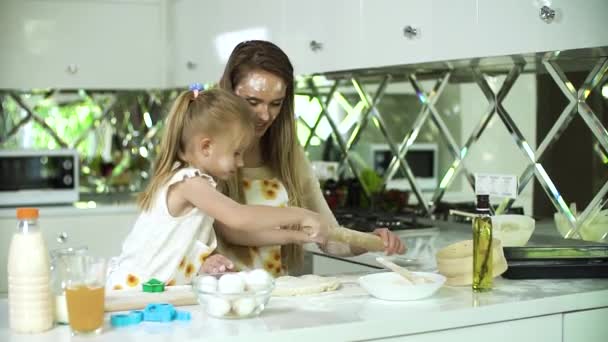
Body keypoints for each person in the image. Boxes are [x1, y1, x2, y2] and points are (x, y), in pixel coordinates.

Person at [106, 87, 331, 290]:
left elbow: (234, 232)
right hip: (131, 293)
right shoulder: (188, 182)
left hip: (151, 294)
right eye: (236, 153)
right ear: (206, 147)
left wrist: (295, 236)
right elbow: (238, 217)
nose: (241, 162)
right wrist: (302, 215)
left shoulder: (196, 182)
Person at [215, 40, 405, 276]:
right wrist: (301, 222)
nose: (265, 115)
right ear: (229, 93)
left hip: (278, 298)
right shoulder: (206, 150)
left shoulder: (288, 153)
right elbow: (230, 228)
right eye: (253, 102)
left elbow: (330, 236)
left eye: (276, 104)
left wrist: (370, 240)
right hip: (217, 297)